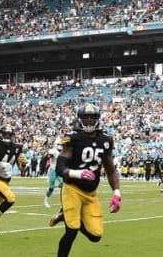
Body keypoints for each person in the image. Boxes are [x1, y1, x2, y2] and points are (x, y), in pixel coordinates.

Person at [48, 104, 121, 257]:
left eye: (92, 117)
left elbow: (110, 170)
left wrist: (116, 193)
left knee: (96, 236)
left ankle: (64, 216)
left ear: (97, 119)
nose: (89, 120)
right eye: (85, 117)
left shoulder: (105, 140)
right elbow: (60, 167)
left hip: (91, 193)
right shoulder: (73, 139)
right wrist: (77, 173)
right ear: (79, 119)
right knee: (71, 231)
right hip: (72, 188)